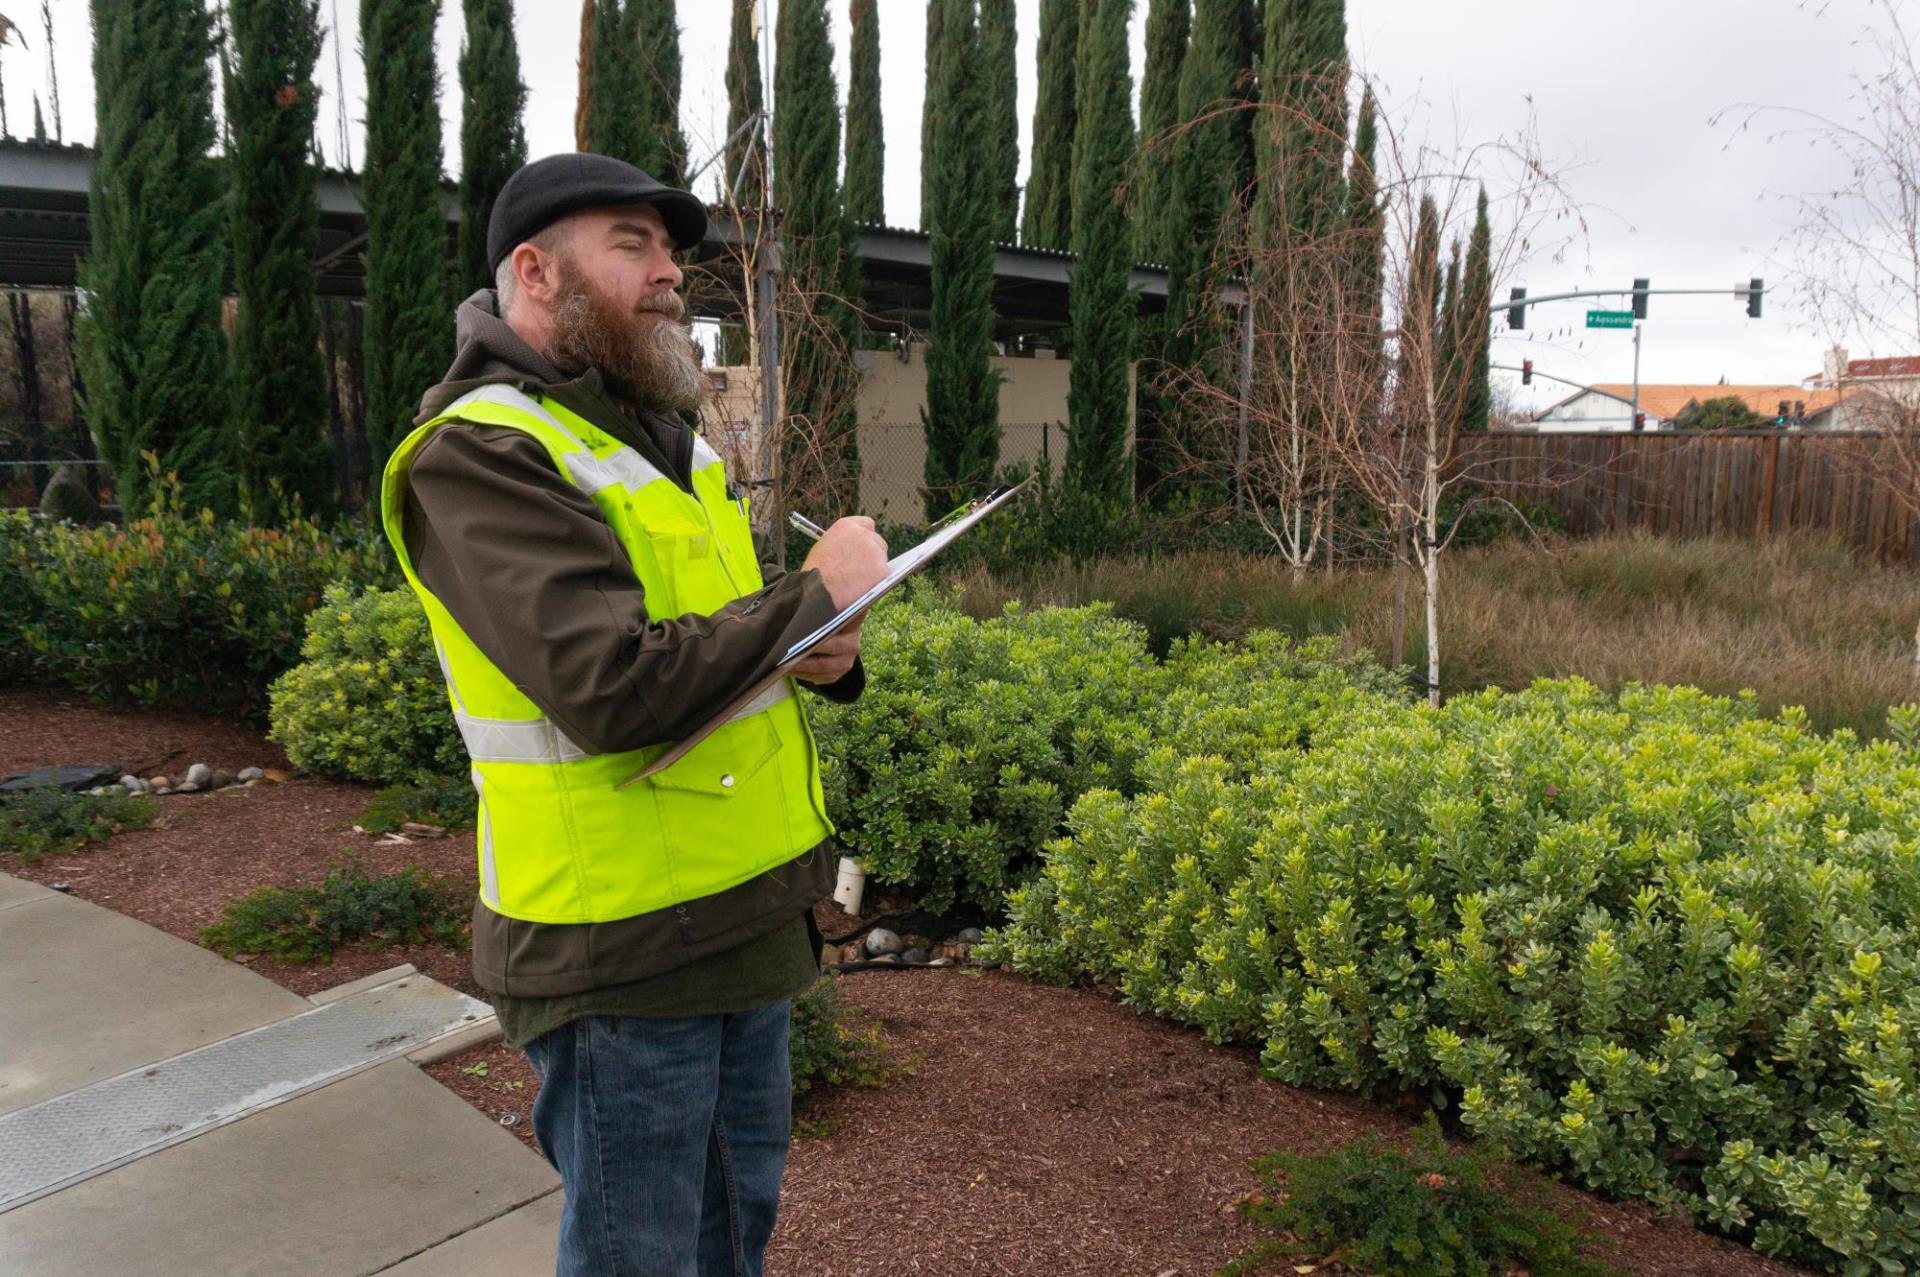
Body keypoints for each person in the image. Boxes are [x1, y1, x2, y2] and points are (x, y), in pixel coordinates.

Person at [379, 152, 889, 1277]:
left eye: (673, 251)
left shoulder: (655, 437)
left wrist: (818, 648)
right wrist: (815, 595)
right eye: (633, 244)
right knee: (639, 1258)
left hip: (740, 929)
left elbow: (713, 640)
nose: (671, 274)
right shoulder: (480, 452)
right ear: (536, 271)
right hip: (618, 955)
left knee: (729, 1236)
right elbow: (611, 684)